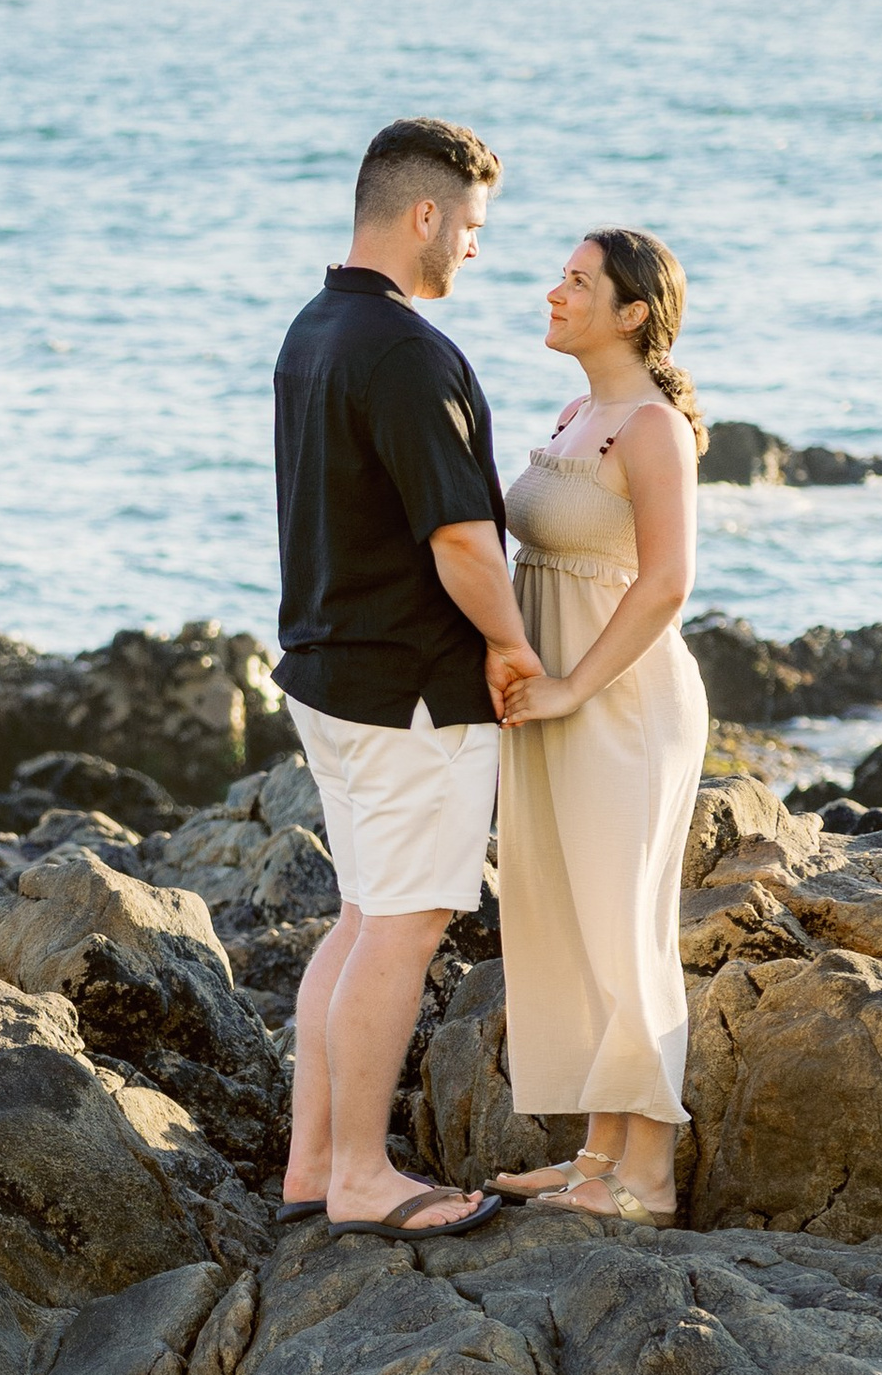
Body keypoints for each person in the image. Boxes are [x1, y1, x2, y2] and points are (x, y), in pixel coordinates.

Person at [272, 118, 542, 1239]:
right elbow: (462, 542)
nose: (473, 250)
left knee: (358, 919)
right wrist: (516, 644)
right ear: (424, 213)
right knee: (403, 925)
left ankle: (311, 1171)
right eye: (470, 225)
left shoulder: (313, 329)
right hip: (411, 692)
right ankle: (361, 1181)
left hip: (328, 675)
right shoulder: (406, 351)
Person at [490, 230, 709, 1226]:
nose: (554, 292)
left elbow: (666, 581)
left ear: (629, 313)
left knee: (624, 925)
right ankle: (594, 1157)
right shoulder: (579, 410)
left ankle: (649, 1177)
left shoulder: (651, 428)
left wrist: (574, 686)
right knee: (564, 918)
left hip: (620, 702)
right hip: (553, 699)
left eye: (577, 283)